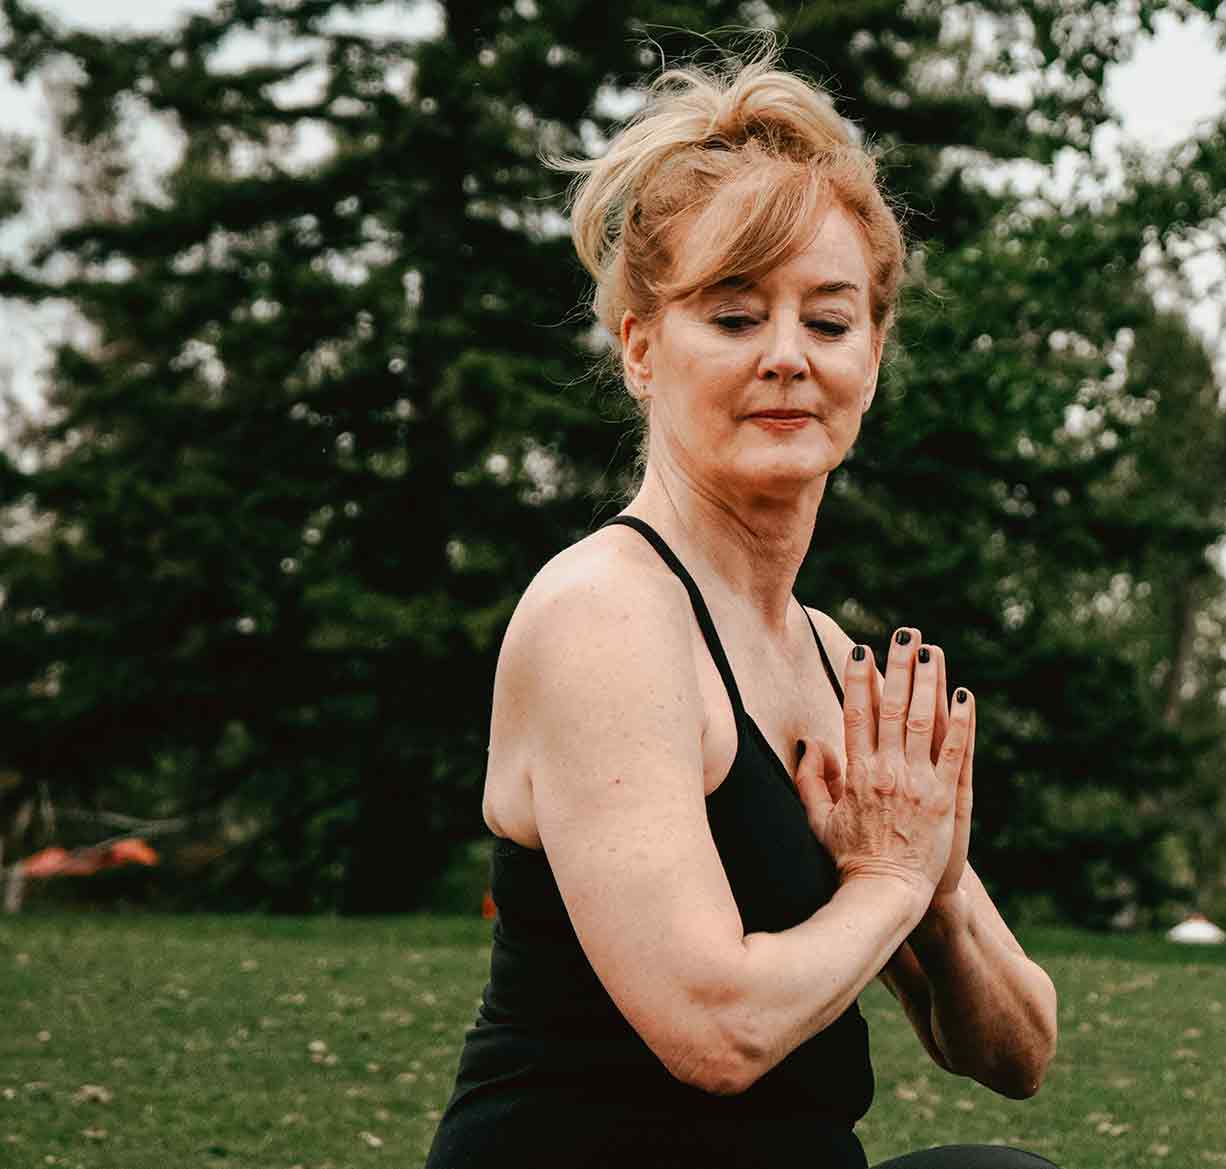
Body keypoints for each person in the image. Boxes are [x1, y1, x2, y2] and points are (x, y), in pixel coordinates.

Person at [424, 54, 1060, 1169]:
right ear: (639, 347)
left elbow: (1018, 1051)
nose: (785, 359)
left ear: (872, 355)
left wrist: (940, 886)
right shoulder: (604, 615)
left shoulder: (826, 655)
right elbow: (716, 1027)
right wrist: (892, 880)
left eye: (827, 321)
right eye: (731, 315)